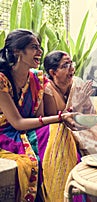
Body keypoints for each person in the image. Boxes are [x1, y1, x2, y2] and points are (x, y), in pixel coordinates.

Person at [0, 29, 82, 201]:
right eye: (34, 47)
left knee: (61, 132)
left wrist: (62, 117)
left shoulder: (37, 79)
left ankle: (69, 195)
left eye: (39, 47)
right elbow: (17, 123)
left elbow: (40, 118)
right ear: (17, 51)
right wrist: (59, 118)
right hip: (7, 133)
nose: (40, 52)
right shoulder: (2, 79)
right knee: (58, 128)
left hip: (28, 130)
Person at [43, 50, 97, 154]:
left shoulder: (77, 83)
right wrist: (77, 105)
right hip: (64, 130)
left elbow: (92, 115)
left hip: (82, 125)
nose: (72, 68)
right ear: (53, 72)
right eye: (66, 65)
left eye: (71, 63)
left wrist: (85, 105)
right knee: (96, 145)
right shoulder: (48, 89)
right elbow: (54, 122)